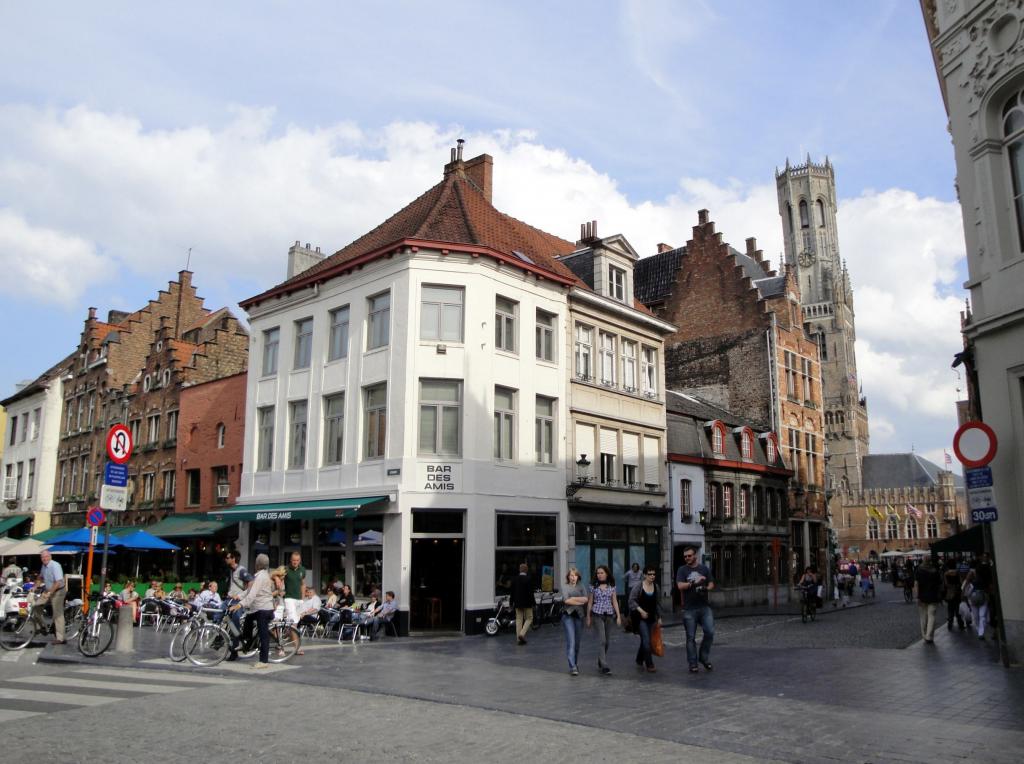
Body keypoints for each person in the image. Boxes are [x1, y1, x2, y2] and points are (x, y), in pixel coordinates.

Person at [231, 553, 274, 668]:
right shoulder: (262, 575)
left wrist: (239, 605)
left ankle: (263, 661)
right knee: (248, 619)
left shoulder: (260, 577)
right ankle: (247, 643)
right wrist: (239, 596)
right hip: (260, 608)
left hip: (263, 609)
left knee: (263, 635)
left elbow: (252, 595)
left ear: (258, 564)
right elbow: (250, 590)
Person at [677, 546, 715, 673]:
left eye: (689, 555)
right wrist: (694, 582)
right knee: (690, 637)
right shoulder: (682, 570)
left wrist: (706, 588)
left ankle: (703, 658)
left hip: (704, 607)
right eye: (685, 556)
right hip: (689, 609)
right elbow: (680, 585)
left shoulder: (704, 569)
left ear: (695, 556)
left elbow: (711, 583)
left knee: (710, 632)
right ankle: (693, 663)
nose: (687, 558)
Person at [586, 564, 621, 675]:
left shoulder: (612, 586)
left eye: (602, 573)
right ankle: (605, 665)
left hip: (609, 615)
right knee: (602, 640)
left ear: (606, 574)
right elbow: (590, 602)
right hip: (597, 614)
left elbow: (614, 601)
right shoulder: (593, 586)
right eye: (598, 573)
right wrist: (588, 617)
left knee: (607, 642)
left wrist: (619, 616)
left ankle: (600, 660)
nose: (599, 575)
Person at [629, 564, 662, 673]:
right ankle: (650, 664)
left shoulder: (656, 587)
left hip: (652, 618)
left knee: (646, 640)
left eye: (653, 574)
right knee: (647, 641)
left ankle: (639, 659)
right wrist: (641, 611)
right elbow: (631, 601)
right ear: (644, 575)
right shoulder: (638, 586)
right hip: (640, 619)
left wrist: (659, 617)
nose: (652, 576)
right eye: (649, 574)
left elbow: (657, 603)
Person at [560, 568, 589, 676]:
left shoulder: (581, 586)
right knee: (571, 642)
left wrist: (573, 599)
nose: (573, 577)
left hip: (579, 616)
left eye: (575, 575)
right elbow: (566, 600)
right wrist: (579, 600)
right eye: (571, 575)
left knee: (577, 643)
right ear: (568, 577)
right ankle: (572, 666)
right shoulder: (565, 586)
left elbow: (586, 599)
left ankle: (575, 663)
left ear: (578, 577)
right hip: (568, 615)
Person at [35, 549, 66, 644]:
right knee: (36, 607)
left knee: (57, 614)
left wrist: (50, 592)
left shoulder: (55, 565)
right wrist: (34, 587)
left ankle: (60, 638)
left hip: (58, 591)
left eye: (46, 556)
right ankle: (42, 627)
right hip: (48, 590)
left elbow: (58, 582)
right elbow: (40, 577)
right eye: (42, 557)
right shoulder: (43, 566)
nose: (44, 558)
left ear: (50, 556)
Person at [963, 555, 992, 640]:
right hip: (982, 596)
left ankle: (980, 631)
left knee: (977, 616)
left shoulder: (971, 577)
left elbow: (966, 589)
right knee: (981, 616)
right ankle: (980, 631)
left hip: (974, 598)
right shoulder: (984, 578)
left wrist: (966, 595)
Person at [914, 557, 943, 644]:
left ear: (923, 561)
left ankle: (924, 635)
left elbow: (916, 584)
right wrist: (940, 594)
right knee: (932, 616)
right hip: (933, 596)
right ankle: (929, 636)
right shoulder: (935, 571)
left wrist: (917, 596)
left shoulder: (919, 570)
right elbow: (940, 584)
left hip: (922, 596)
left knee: (923, 617)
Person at [224, 551, 254, 630]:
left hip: (237, 600)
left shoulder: (241, 570)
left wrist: (245, 595)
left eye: (227, 558)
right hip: (229, 599)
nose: (225, 559)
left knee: (235, 619)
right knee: (219, 614)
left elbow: (251, 581)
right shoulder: (231, 570)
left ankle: (236, 636)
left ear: (233, 559)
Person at [510, 563, 534, 645]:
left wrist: (511, 603)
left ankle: (518, 639)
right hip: (527, 603)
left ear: (519, 570)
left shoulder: (515, 579)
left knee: (519, 620)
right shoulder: (528, 579)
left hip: (517, 603)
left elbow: (512, 593)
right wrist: (534, 603)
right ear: (526, 570)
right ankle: (522, 634)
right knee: (529, 618)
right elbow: (531, 593)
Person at [283, 552, 306, 626]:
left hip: (299, 599)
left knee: (295, 621)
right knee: (293, 621)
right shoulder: (286, 569)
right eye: (294, 560)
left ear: (300, 560)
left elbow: (303, 584)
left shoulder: (302, 569)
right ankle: (294, 634)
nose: (295, 562)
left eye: (297, 560)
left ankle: (288, 632)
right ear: (290, 560)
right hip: (289, 598)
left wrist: (302, 598)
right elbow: (277, 575)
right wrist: (277, 580)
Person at [943, 559, 965, 631]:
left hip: (950, 593)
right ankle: (960, 624)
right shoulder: (958, 573)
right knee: (958, 608)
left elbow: (946, 584)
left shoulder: (946, 574)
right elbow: (961, 582)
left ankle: (950, 623)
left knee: (950, 609)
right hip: (957, 592)